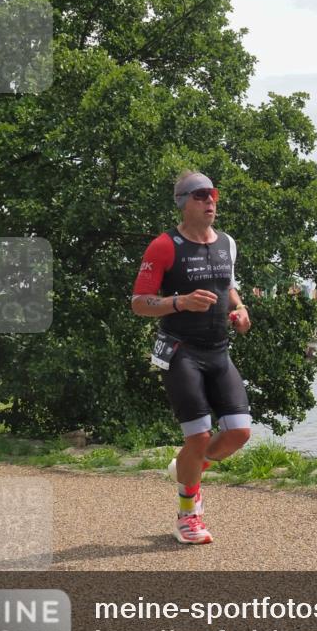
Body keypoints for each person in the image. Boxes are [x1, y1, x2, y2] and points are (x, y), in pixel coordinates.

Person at [131, 171, 252, 544]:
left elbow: (228, 288)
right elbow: (139, 303)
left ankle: (187, 467)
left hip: (219, 350)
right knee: (198, 436)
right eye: (200, 195)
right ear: (183, 203)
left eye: (212, 193)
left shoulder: (227, 243)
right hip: (180, 351)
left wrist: (240, 309)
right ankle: (188, 515)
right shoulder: (164, 246)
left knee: (239, 432)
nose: (210, 200)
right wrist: (179, 302)